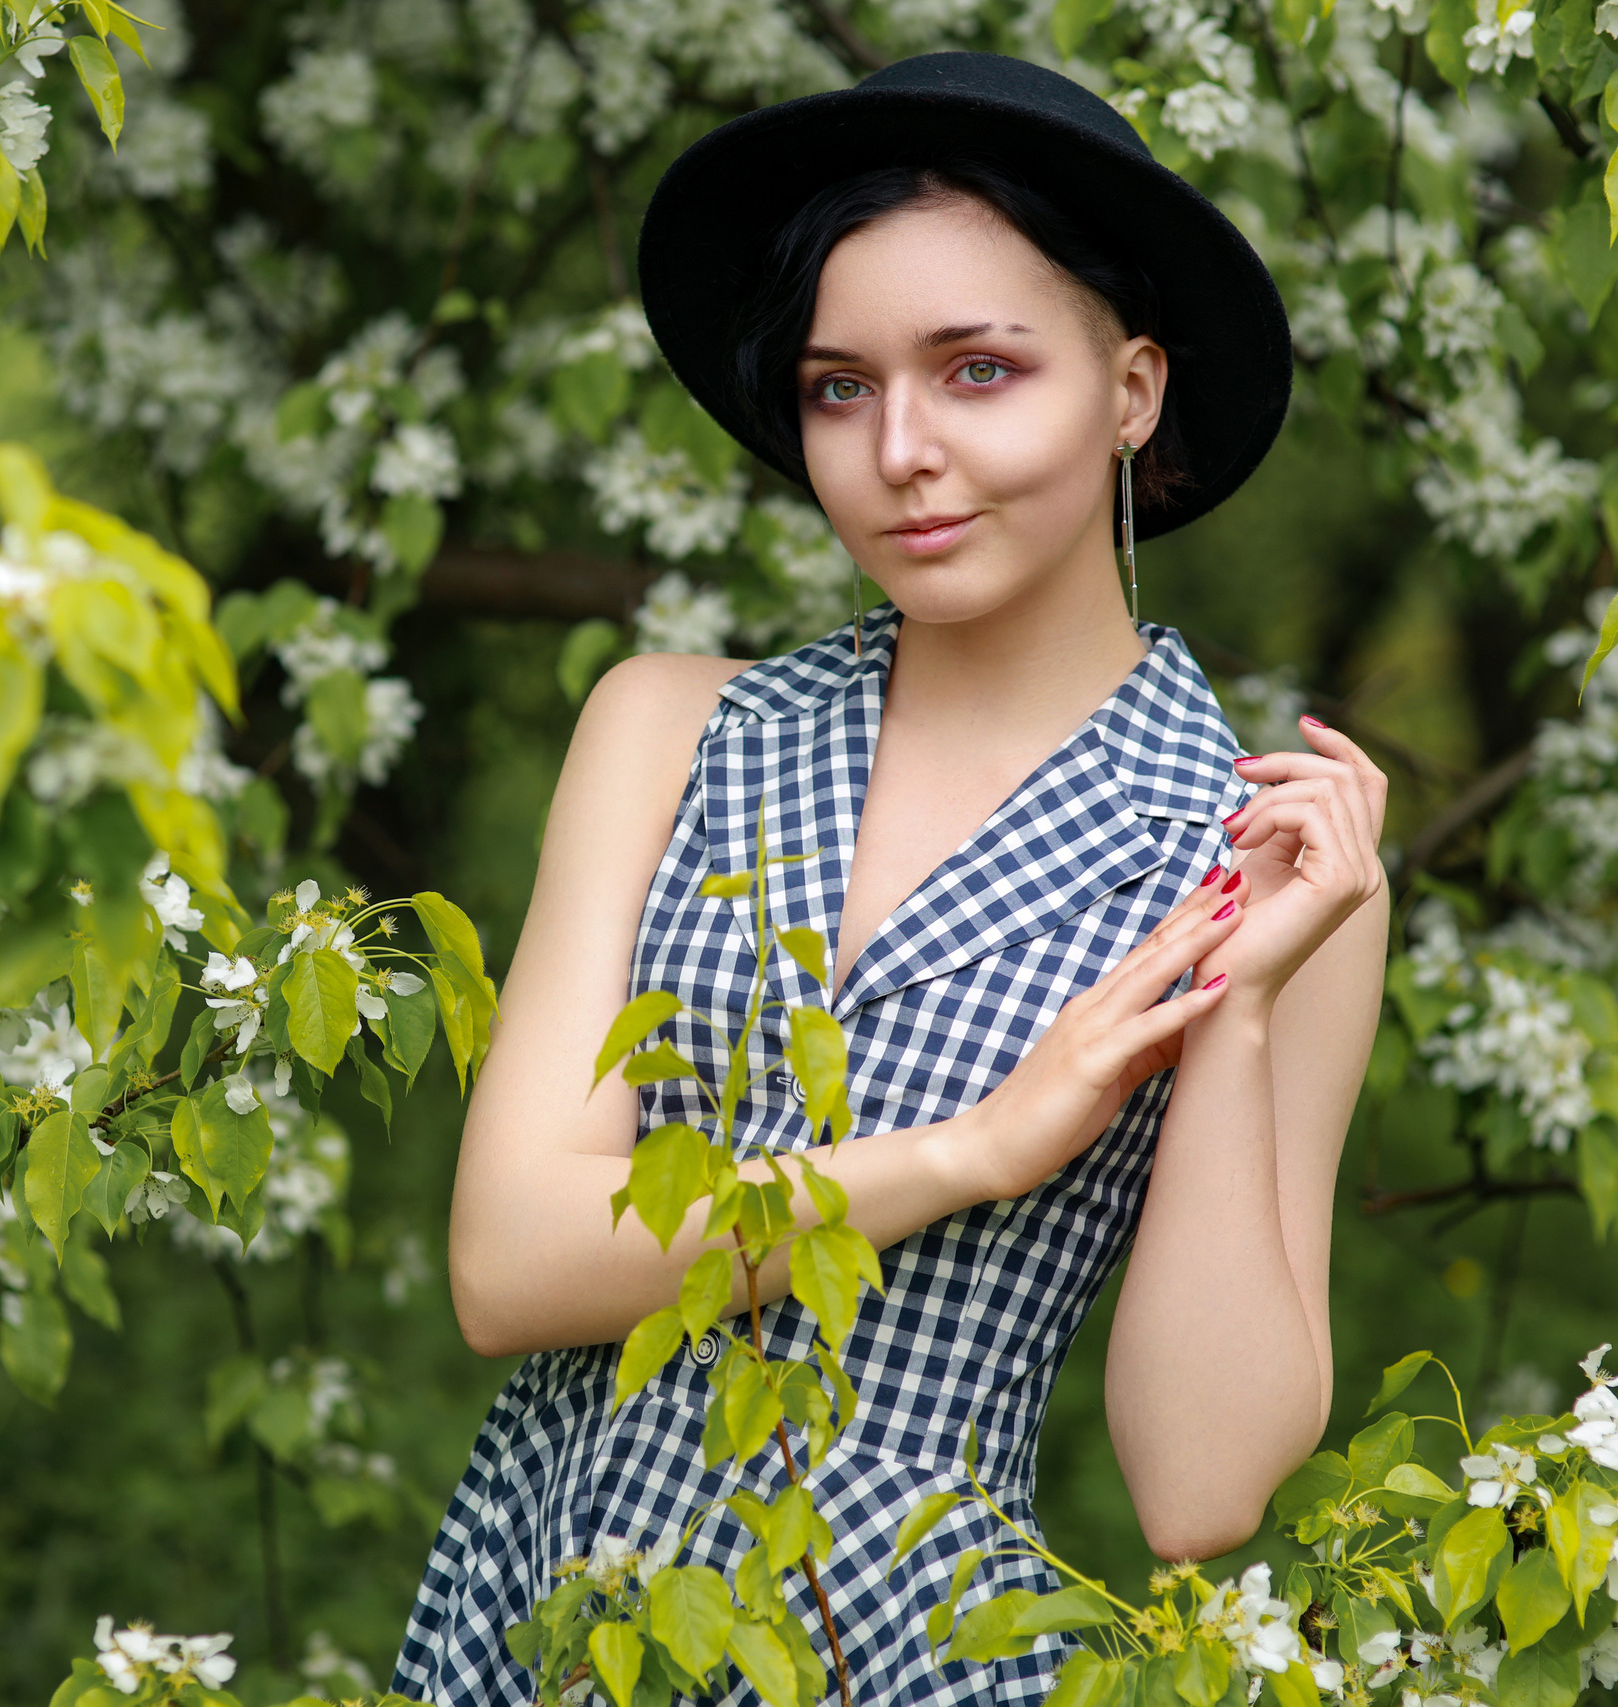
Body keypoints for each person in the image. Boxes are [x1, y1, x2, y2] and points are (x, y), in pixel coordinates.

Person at [392, 50, 1389, 1706]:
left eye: (979, 371)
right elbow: (507, 1264)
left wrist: (1243, 1002)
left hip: (910, 1645)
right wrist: (973, 1151)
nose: (901, 450)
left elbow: (1201, 1486)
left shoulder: (1259, 854)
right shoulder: (669, 731)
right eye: (840, 387)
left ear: (1132, 390)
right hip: (542, 1617)